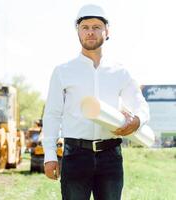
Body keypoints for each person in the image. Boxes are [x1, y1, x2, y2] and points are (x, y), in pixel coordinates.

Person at [42, 4, 150, 200]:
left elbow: (141, 106)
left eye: (96, 27)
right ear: (78, 31)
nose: (90, 32)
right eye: (85, 27)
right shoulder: (62, 71)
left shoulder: (120, 72)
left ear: (107, 31)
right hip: (75, 155)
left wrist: (137, 121)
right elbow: (52, 115)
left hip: (110, 156)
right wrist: (50, 156)